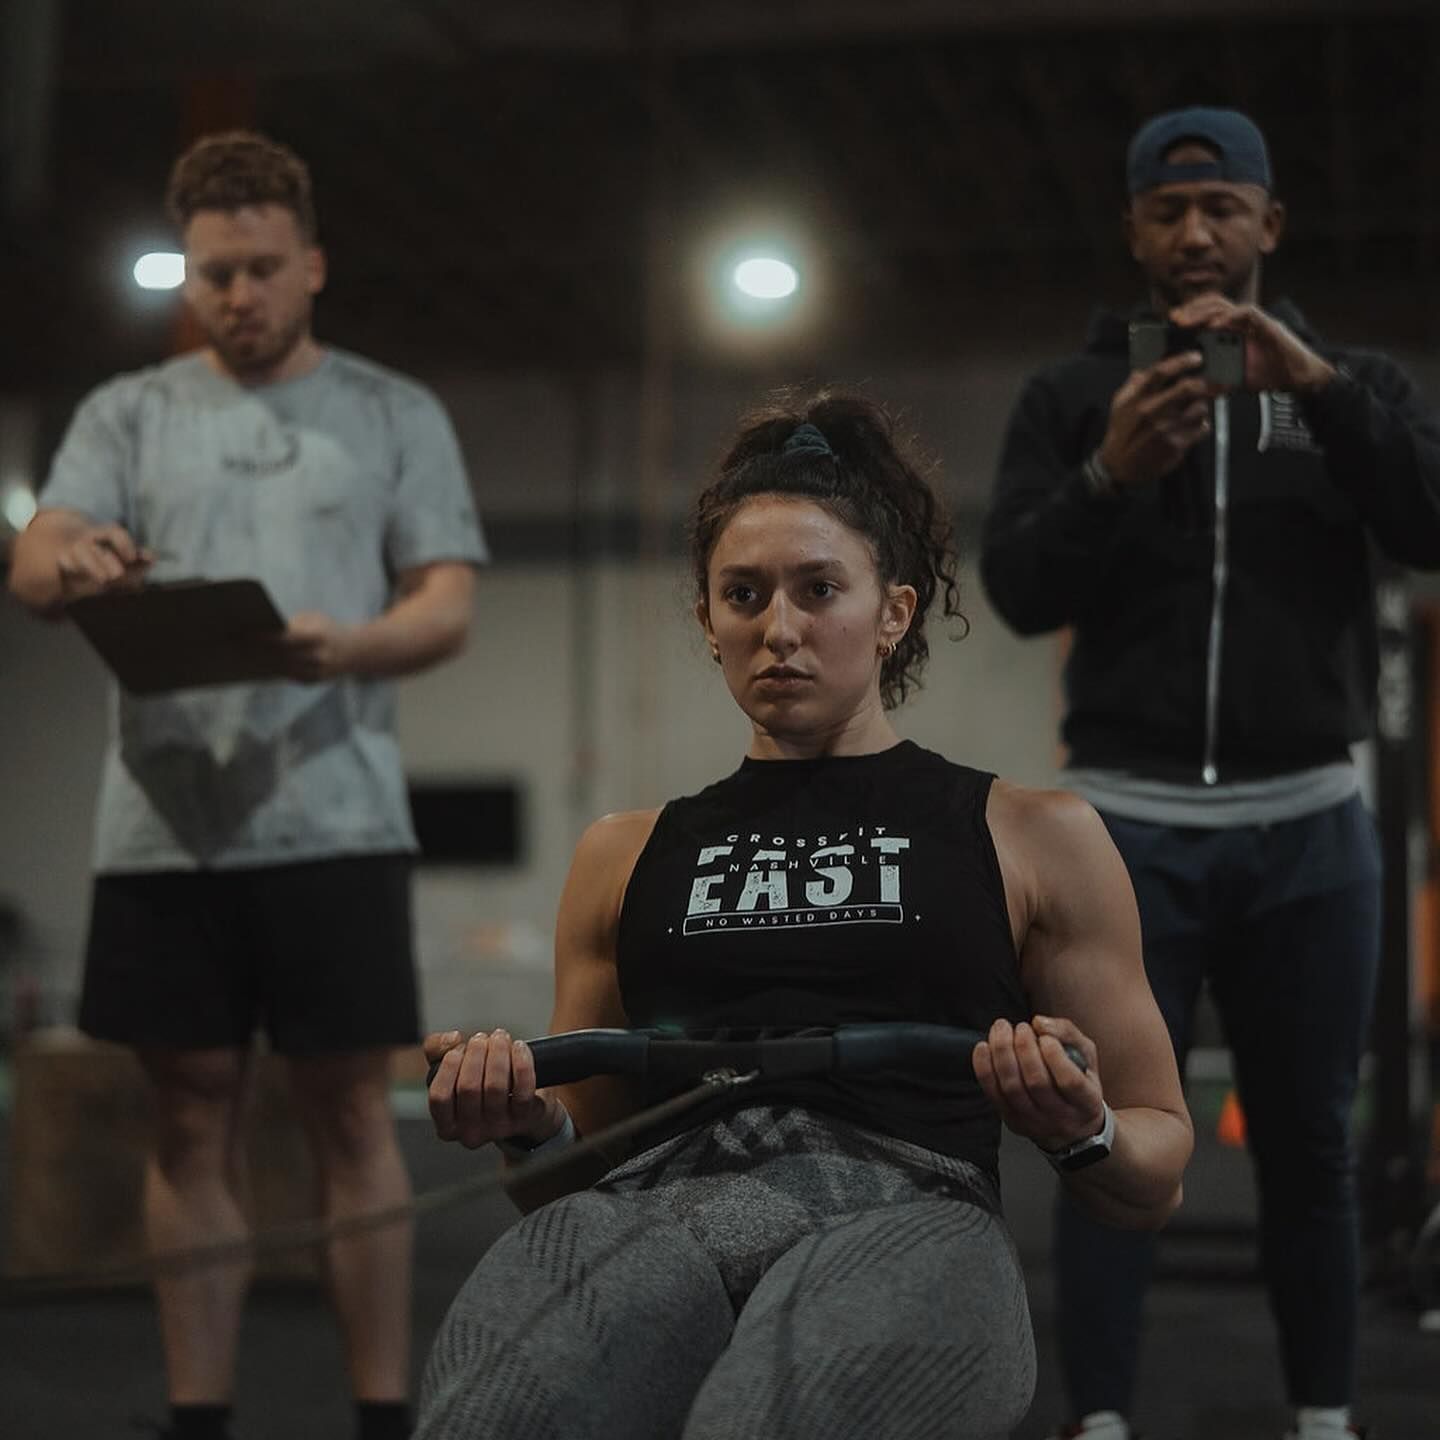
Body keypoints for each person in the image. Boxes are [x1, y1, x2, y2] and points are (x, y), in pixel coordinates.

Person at [418, 392, 1192, 1440]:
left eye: (819, 589)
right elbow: (577, 1171)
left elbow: (1154, 1171)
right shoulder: (620, 854)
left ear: (894, 613)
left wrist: (1081, 1126)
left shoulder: (1033, 833)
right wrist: (523, 1125)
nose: (779, 629)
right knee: (490, 1416)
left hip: (908, 1214)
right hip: (657, 1213)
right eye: (743, 595)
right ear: (709, 623)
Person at [7, 131, 488, 1440]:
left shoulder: (392, 412)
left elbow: (446, 601)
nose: (238, 295)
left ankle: (380, 1414)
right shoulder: (128, 413)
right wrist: (72, 561)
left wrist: (353, 643)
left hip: (336, 820)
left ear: (312, 264)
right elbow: (36, 558)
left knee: (351, 1114)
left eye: (263, 268)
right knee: (188, 1117)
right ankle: (199, 1418)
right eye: (213, 273)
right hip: (165, 831)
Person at [980, 106, 1440, 1440]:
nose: (1195, 233)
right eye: (1169, 211)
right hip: (1124, 831)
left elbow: (1427, 520)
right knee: (1108, 1136)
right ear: (1134, 229)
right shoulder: (1071, 397)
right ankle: (1103, 1423)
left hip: (1309, 828)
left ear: (1268, 223)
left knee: (1312, 1148)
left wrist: (1324, 393)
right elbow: (1014, 588)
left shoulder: (1351, 383)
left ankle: (1326, 1420)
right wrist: (1108, 476)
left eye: (1222, 208)